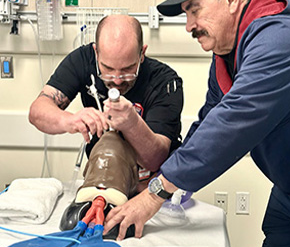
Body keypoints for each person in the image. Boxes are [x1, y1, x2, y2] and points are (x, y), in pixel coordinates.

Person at [103, 0, 290, 247]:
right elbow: (211, 117)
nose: (189, 26)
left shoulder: (280, 40)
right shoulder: (226, 53)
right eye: (186, 15)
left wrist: (157, 192)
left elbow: (232, 123)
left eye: (195, 10)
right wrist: (166, 169)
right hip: (288, 190)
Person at [29, 14, 183, 192]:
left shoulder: (164, 82)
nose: (117, 80)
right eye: (108, 68)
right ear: (96, 52)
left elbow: (156, 158)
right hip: (105, 182)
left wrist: (132, 123)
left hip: (151, 190)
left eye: (127, 69)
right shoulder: (82, 61)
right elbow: (37, 112)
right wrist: (69, 120)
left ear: (142, 54)